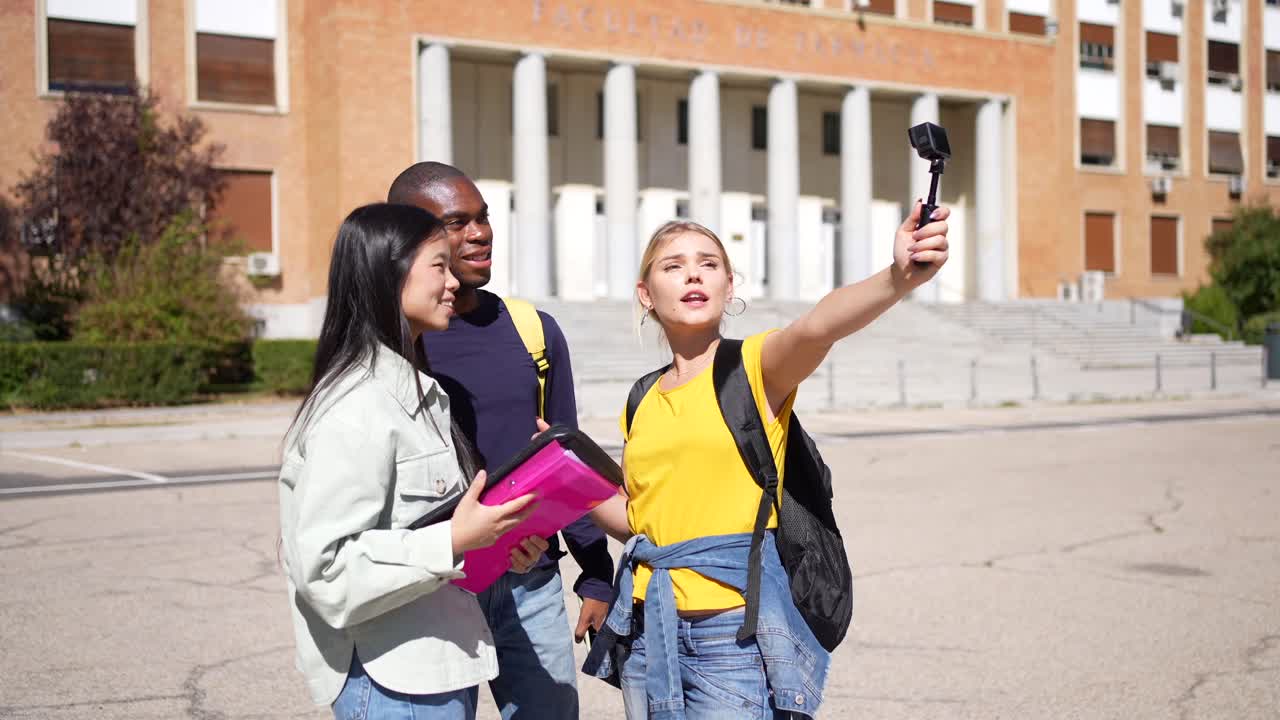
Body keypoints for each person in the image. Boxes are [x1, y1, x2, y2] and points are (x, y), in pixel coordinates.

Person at [582, 201, 951, 719]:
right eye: (673, 265)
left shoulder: (755, 368)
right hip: (648, 628)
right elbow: (642, 524)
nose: (693, 273)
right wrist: (565, 478)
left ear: (729, 286)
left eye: (708, 264)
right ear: (646, 294)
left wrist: (896, 277)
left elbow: (817, 327)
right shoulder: (641, 397)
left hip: (731, 634)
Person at [277, 203, 550, 719]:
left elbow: (416, 533)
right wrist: (454, 539)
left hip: (433, 662)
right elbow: (327, 569)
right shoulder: (358, 406)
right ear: (390, 271)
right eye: (439, 266)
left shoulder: (418, 393)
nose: (454, 283)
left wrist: (496, 541)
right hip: (390, 680)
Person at [387, 163, 615, 719]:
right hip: (434, 588)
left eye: (483, 218)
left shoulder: (534, 331)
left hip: (530, 579)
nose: (481, 233)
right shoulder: (393, 341)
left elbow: (566, 462)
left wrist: (596, 573)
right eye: (457, 222)